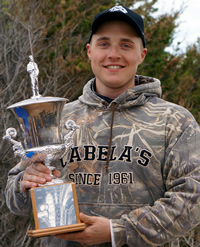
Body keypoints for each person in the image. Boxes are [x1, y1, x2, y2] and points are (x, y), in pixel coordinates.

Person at [5, 5, 200, 247]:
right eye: (104, 43)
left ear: (142, 54)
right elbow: (15, 201)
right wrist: (26, 183)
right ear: (89, 51)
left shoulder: (174, 120)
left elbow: (193, 197)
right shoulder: (56, 116)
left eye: (126, 44)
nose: (114, 54)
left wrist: (116, 231)